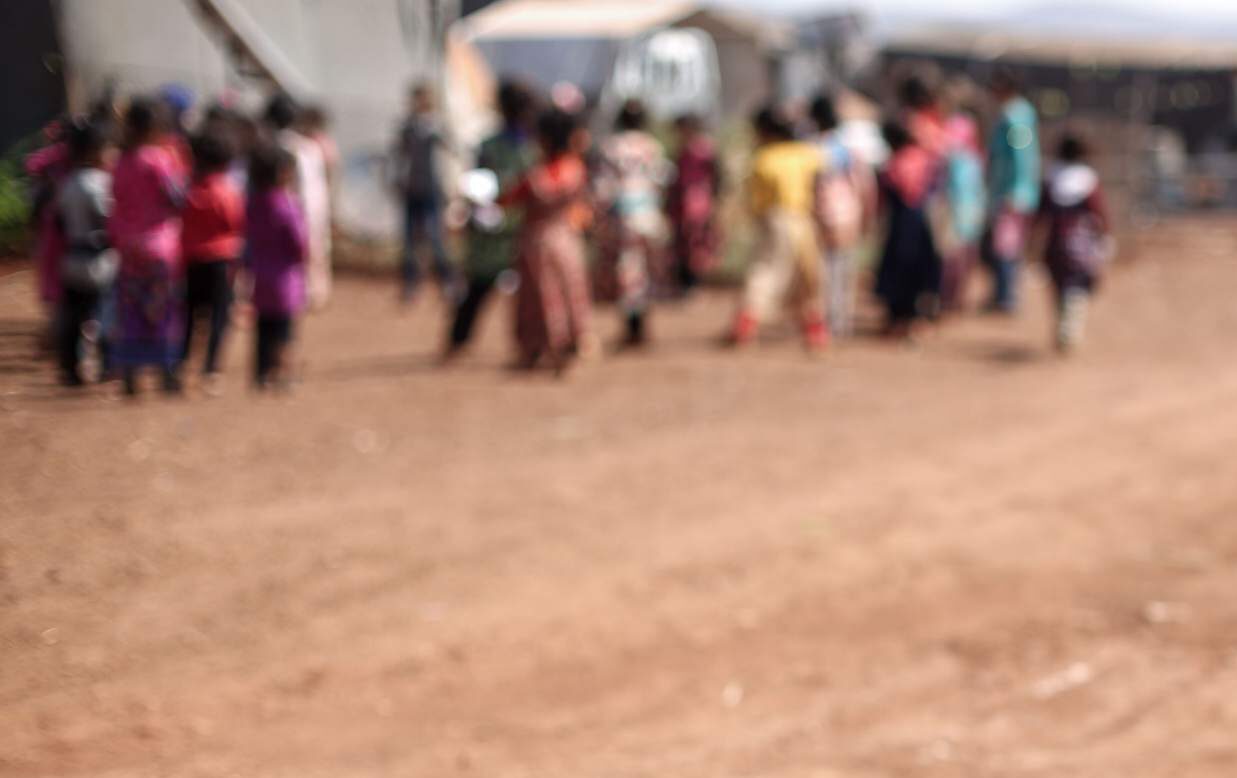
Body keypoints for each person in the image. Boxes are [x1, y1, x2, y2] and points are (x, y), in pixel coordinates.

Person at [444, 78, 539, 359]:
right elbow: (477, 184)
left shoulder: (530, 146)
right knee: (480, 286)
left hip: (519, 229)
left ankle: (529, 344)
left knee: (526, 293)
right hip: (494, 230)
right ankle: (459, 339)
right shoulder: (498, 146)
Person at [498, 108, 595, 375]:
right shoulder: (575, 169)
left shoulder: (536, 175)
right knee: (569, 292)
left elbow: (507, 199)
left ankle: (540, 347)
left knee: (540, 297)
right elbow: (584, 209)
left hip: (537, 242)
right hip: (568, 241)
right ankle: (573, 342)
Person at [729, 105, 828, 351]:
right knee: (807, 276)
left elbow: (754, 200)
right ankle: (814, 331)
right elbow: (819, 184)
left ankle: (746, 326)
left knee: (768, 272)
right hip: (802, 219)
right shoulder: (806, 154)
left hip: (776, 220)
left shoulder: (763, 159)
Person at [110, 97, 187, 396]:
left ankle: (130, 372)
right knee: (163, 309)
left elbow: (115, 198)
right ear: (155, 128)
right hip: (159, 246)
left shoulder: (121, 162)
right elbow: (176, 196)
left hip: (128, 246)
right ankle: (167, 372)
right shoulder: (159, 160)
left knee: (131, 308)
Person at [594, 99, 669, 348]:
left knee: (628, 270)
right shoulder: (652, 146)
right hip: (649, 216)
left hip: (623, 218)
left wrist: (601, 219)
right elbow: (661, 180)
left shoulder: (611, 147)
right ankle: (639, 326)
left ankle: (634, 327)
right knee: (646, 271)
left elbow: (603, 188)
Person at [56, 118, 119, 386]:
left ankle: (70, 368)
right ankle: (107, 365)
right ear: (95, 151)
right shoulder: (100, 182)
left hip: (72, 258)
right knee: (105, 313)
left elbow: (59, 220)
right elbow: (108, 217)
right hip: (99, 260)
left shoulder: (68, 182)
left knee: (73, 316)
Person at [181, 130, 245, 390]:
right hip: (220, 262)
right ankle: (210, 368)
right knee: (219, 316)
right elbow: (235, 223)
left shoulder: (187, 189)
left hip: (191, 260)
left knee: (190, 314)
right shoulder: (227, 191)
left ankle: (181, 362)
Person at [809, 93, 876, 340]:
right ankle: (841, 320)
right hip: (848, 214)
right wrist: (866, 213)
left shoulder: (813, 148)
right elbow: (863, 184)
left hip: (821, 215)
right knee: (844, 269)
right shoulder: (847, 149)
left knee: (826, 270)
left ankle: (828, 320)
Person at [1038, 134, 1112, 353]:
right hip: (1081, 243)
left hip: (1055, 242)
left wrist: (1032, 242)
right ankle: (1069, 330)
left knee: (1059, 286)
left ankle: (1063, 325)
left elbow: (1040, 213)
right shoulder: (1087, 180)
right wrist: (1105, 237)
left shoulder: (1051, 178)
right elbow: (1099, 212)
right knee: (1077, 287)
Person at [244, 145, 308, 389]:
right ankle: (284, 374)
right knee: (284, 331)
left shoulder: (253, 203)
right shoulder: (287, 205)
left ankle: (261, 374)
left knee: (263, 329)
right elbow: (298, 241)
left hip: (260, 278)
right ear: (283, 173)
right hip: (285, 280)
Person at [874, 120, 942, 340]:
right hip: (917, 223)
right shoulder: (922, 158)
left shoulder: (896, 163)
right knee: (916, 271)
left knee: (901, 271)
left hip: (904, 225)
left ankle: (902, 320)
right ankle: (912, 318)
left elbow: (898, 193)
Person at [982, 66, 1041, 314]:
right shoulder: (1015, 113)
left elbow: (1021, 157)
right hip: (1010, 191)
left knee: (1005, 246)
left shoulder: (1016, 116)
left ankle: (1005, 297)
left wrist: (1016, 191)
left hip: (1013, 194)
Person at [264, 94, 332, 309]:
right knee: (315, 248)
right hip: (316, 203)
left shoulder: (281, 144)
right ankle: (316, 292)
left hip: (295, 206)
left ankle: (300, 292)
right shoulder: (309, 145)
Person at [392, 82, 457, 303]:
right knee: (410, 241)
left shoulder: (435, 126)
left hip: (432, 190)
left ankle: (448, 281)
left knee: (436, 238)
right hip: (412, 190)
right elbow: (398, 155)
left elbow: (451, 151)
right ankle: (411, 284)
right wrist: (397, 180)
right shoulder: (407, 127)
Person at [937, 89, 987, 313]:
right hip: (969, 200)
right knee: (965, 252)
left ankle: (950, 296)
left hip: (959, 200)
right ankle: (956, 296)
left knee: (954, 253)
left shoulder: (954, 126)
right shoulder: (974, 148)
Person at [664, 113, 722, 297]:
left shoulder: (704, 149)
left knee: (696, 242)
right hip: (683, 202)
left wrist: (715, 199)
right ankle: (685, 282)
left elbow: (717, 176)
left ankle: (693, 282)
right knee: (682, 242)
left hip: (697, 201)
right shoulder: (684, 149)